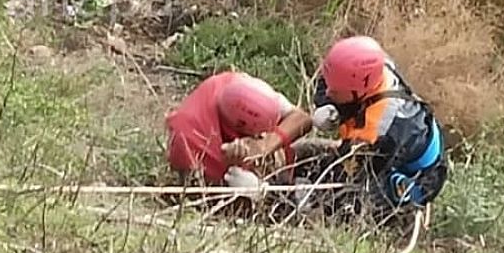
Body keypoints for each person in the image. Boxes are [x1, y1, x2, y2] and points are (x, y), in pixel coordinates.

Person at [308, 35, 448, 218]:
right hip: (394, 138)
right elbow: (325, 84)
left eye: (334, 91)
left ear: (359, 89)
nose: (328, 91)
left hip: (419, 176)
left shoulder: (380, 130)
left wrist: (316, 201)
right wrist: (328, 104)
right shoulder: (370, 66)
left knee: (347, 206)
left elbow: (351, 173)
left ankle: (402, 211)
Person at [165, 70, 313, 188]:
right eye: (258, 136)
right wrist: (262, 193)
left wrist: (266, 145)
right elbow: (220, 203)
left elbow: (302, 118)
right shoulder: (193, 141)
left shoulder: (241, 86)